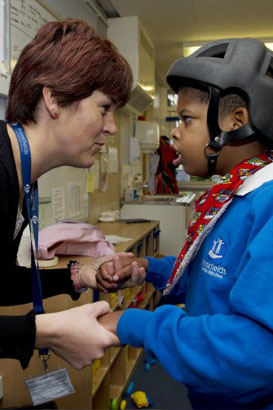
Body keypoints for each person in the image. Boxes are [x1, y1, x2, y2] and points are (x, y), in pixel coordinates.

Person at [97, 38, 273, 409]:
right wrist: (151, 269)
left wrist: (136, 324)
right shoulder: (234, 194)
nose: (175, 131)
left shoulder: (267, 203)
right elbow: (214, 280)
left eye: (186, 120)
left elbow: (257, 350)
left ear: (236, 123)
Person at [0, 18, 133, 371]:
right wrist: (47, 331)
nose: (112, 127)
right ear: (55, 99)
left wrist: (78, 276)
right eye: (104, 107)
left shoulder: (22, 173)